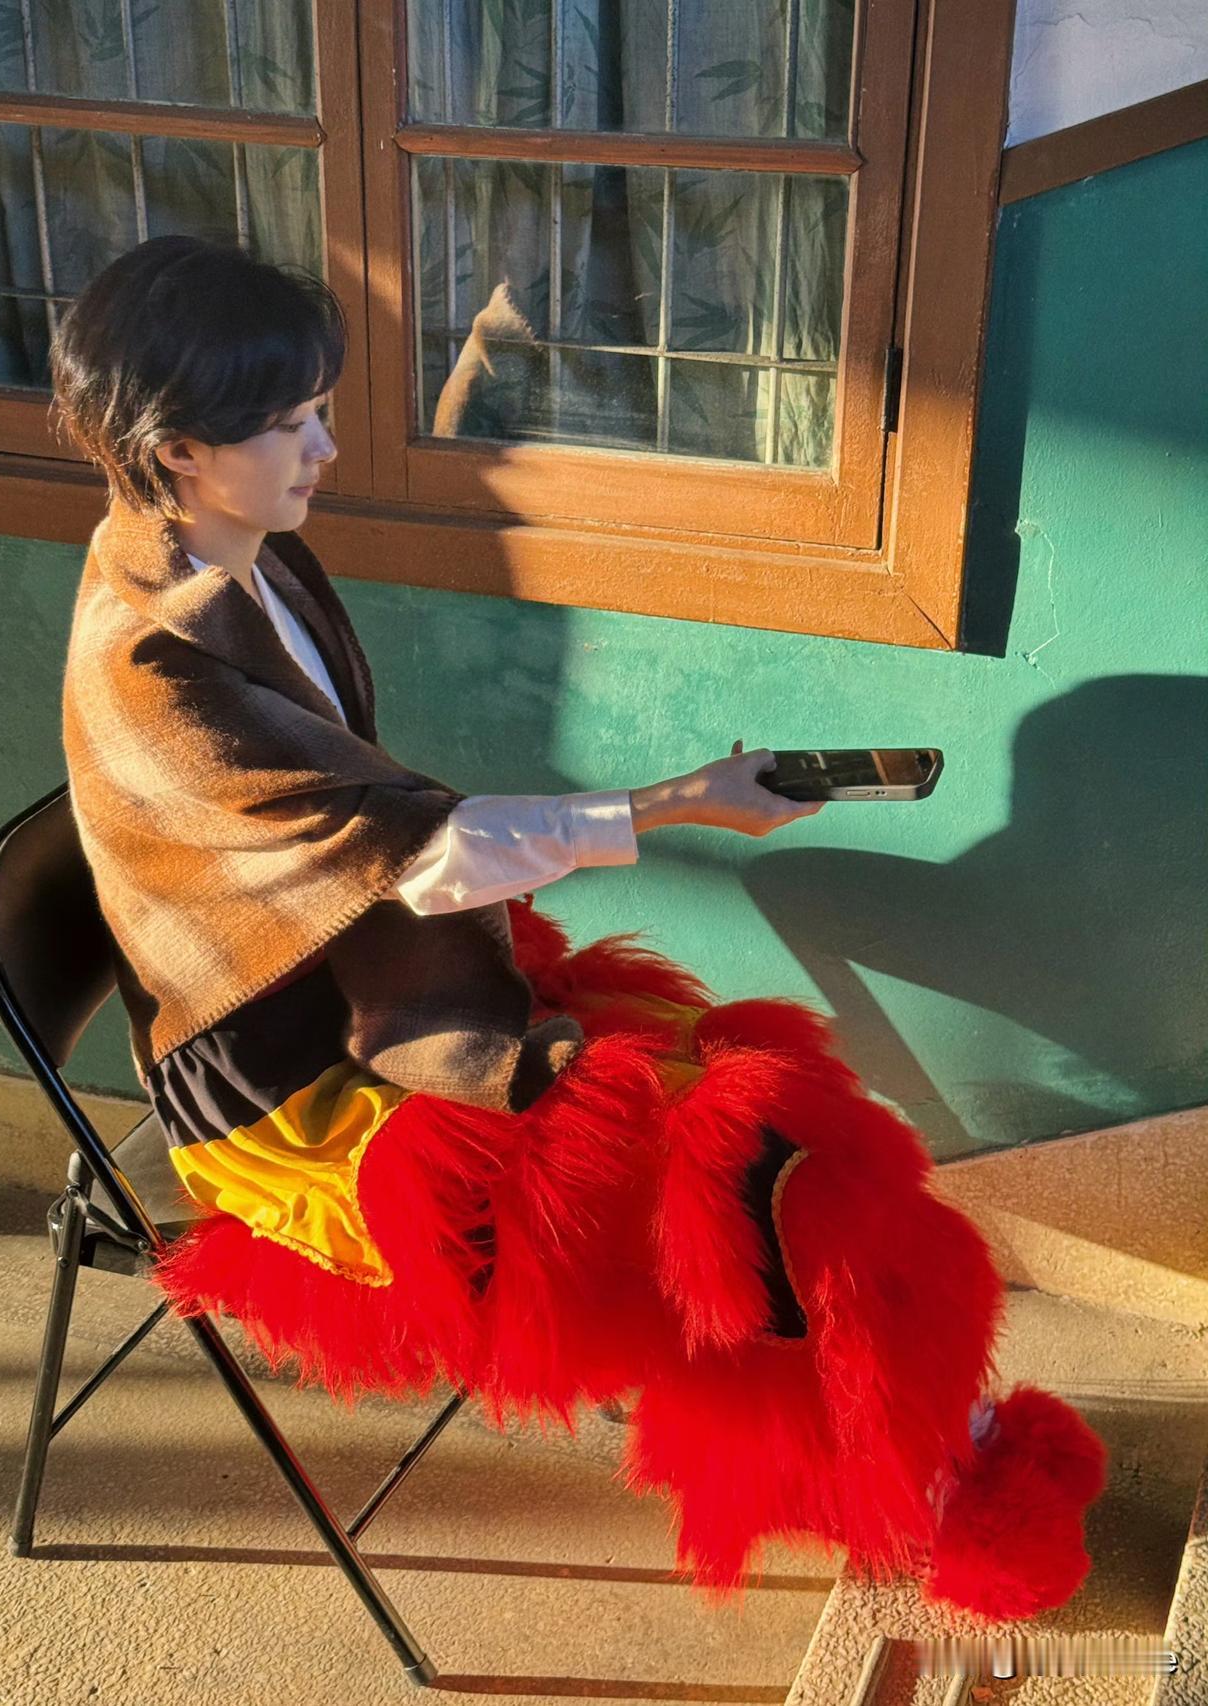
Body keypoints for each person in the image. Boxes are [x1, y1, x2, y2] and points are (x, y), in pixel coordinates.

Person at [54, 235, 1105, 1620]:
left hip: (371, 976)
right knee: (747, 1171)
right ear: (179, 452)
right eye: (290, 421)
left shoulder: (240, 553)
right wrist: (679, 802)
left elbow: (376, 840)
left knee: (781, 1116)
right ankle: (913, 1481)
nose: (325, 446)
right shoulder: (152, 658)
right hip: (294, 1077)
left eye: (320, 407)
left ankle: (875, 1452)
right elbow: (420, 854)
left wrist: (665, 805)